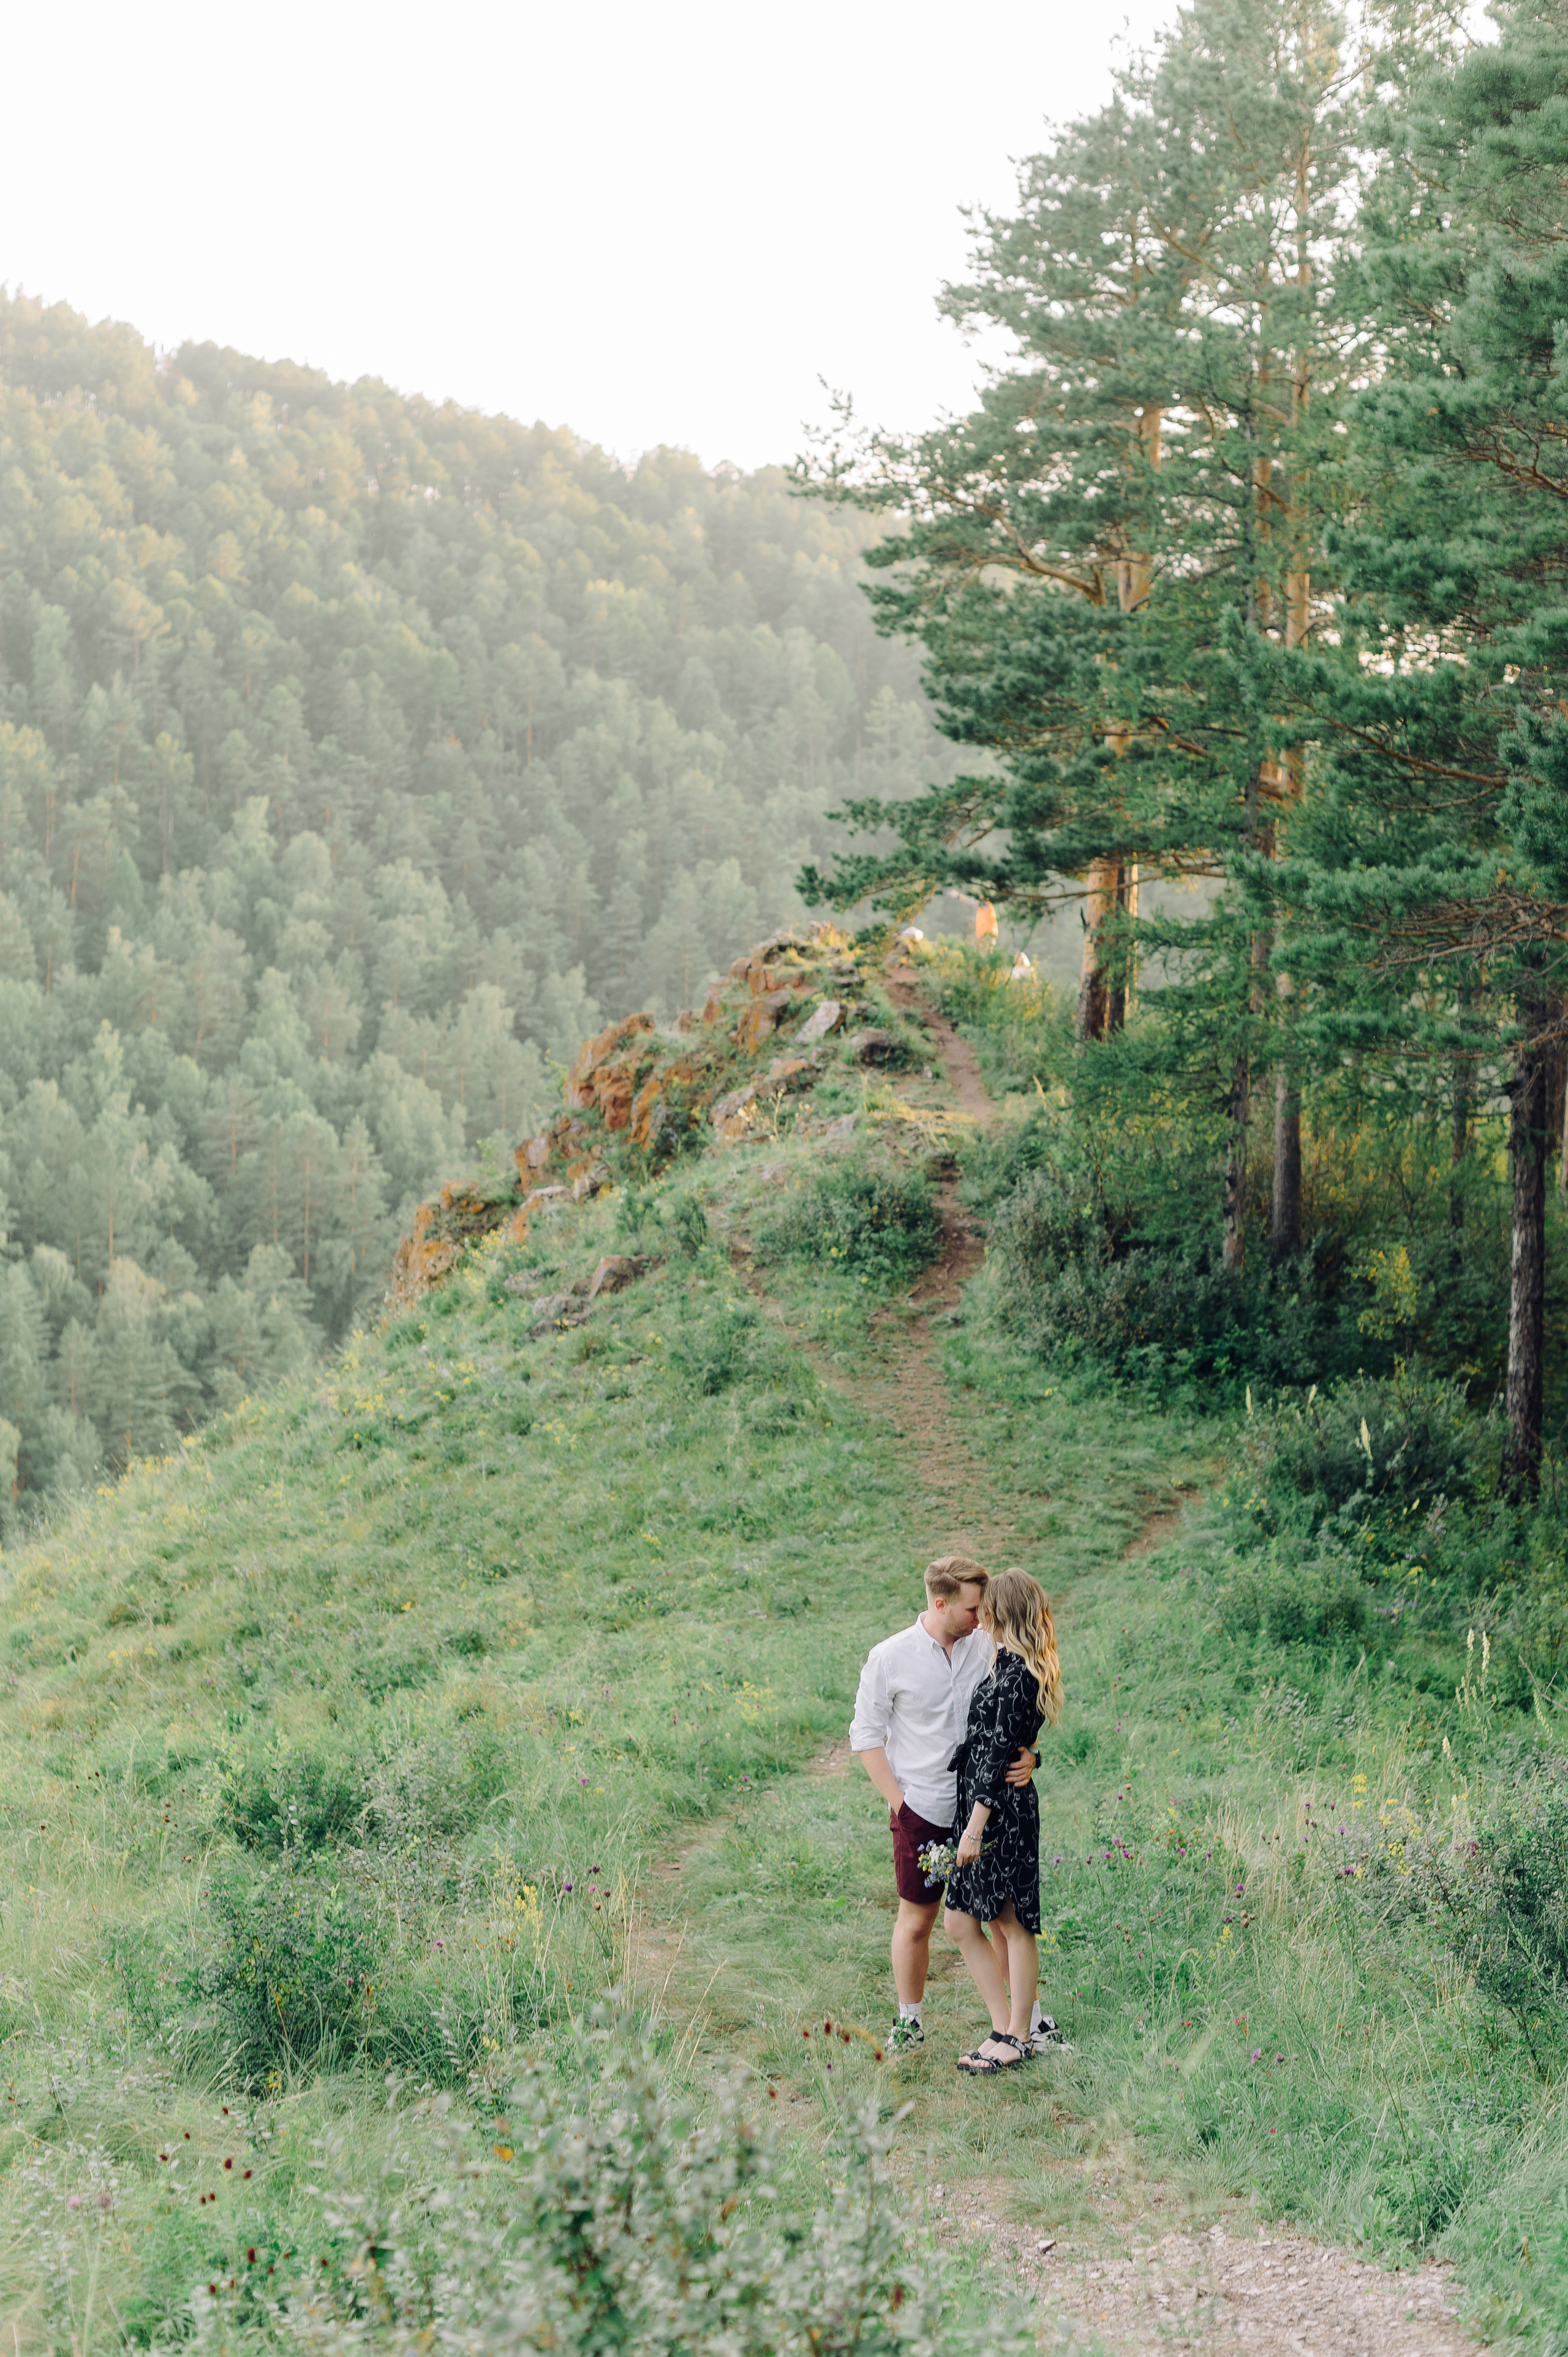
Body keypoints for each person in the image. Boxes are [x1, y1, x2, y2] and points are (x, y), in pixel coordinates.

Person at [849, 1557, 1042, 2057]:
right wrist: (901, 1804)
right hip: (925, 1808)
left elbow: (1015, 1710)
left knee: (999, 1918)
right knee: (918, 1921)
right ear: (941, 1603)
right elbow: (865, 1736)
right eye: (972, 1607)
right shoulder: (891, 1657)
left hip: (983, 1809)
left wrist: (1031, 1756)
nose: (981, 1617)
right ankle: (910, 2021)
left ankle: (1026, 2022)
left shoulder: (987, 1642)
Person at [943, 1568, 1063, 2073]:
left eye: (989, 1605)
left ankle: (1019, 2033)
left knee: (1013, 1923)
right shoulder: (1007, 1663)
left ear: (1002, 1610)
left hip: (1001, 1815)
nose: (982, 1612)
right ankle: (1007, 2028)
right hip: (986, 1807)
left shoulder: (1018, 1673)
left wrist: (974, 1829)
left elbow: (996, 1755)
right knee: (988, 1919)